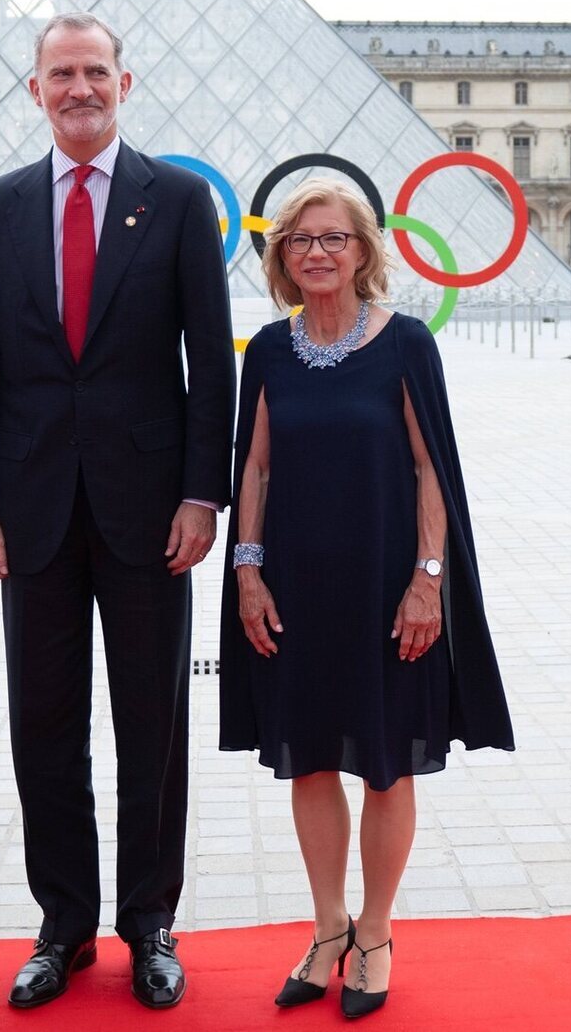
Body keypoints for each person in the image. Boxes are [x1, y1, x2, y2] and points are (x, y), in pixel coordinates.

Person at [0, 12, 234, 1011]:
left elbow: (210, 364)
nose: (79, 87)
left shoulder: (180, 199)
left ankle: (148, 919)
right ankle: (62, 920)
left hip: (153, 510)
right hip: (29, 511)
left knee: (151, 720)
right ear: (33, 90)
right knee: (42, 723)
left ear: (125, 81)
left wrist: (205, 493)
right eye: (59, 73)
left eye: (94, 71)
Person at [219, 179, 513, 1020]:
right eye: (300, 240)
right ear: (280, 256)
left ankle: (375, 933)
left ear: (363, 250)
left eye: (333, 238)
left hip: (387, 588)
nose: (316, 251)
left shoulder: (407, 342)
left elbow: (432, 468)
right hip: (293, 588)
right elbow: (256, 467)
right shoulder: (268, 351)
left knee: (386, 762)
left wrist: (428, 581)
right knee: (308, 757)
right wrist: (247, 572)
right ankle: (326, 928)